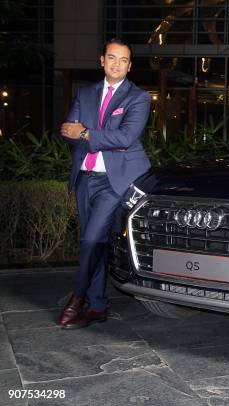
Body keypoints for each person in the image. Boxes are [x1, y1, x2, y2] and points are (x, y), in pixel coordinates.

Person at [59, 38, 151, 329]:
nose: (117, 64)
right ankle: (98, 306)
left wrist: (87, 133)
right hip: (86, 178)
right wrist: (91, 135)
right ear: (102, 60)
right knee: (94, 242)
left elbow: (126, 137)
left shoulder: (138, 97)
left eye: (123, 60)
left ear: (129, 66)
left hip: (116, 181)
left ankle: (78, 298)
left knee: (90, 240)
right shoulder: (84, 93)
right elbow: (67, 130)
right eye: (112, 58)